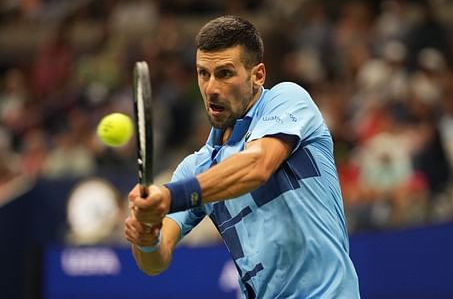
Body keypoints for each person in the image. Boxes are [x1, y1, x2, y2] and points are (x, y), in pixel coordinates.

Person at [125, 15, 360, 299]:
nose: (211, 87)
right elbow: (156, 262)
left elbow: (257, 166)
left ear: (257, 75)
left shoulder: (289, 100)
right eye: (203, 73)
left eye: (224, 73)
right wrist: (146, 235)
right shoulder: (195, 168)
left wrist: (169, 196)